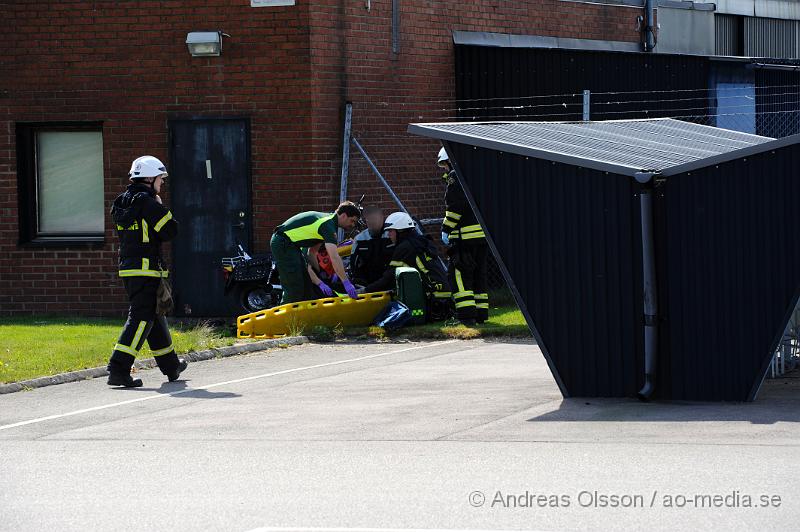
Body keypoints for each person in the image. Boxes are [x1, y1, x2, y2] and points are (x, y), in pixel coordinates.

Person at [106, 155, 187, 388]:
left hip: (129, 269)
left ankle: (171, 366)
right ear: (150, 178)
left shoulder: (121, 202)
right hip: (147, 270)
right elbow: (170, 231)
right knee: (140, 318)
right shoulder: (148, 203)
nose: (162, 183)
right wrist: (160, 206)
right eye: (161, 179)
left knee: (153, 315)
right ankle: (118, 369)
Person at [271, 202, 361, 304]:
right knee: (295, 285)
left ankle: (304, 315)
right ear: (344, 215)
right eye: (352, 221)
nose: (353, 225)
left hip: (290, 245)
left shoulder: (329, 222)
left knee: (307, 285)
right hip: (283, 242)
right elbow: (334, 257)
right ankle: (287, 316)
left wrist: (320, 274)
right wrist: (346, 282)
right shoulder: (328, 225)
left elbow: (312, 252)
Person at [438, 147, 489, 325]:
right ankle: (481, 314)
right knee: (478, 276)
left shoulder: (455, 176)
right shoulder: (477, 174)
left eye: (444, 165)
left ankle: (466, 317)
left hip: (464, 238)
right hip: (481, 237)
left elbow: (455, 206)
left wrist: (446, 228)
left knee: (459, 275)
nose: (444, 171)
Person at [362, 212, 451, 312]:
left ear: (400, 231)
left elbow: (388, 278)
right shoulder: (421, 242)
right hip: (444, 295)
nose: (389, 235)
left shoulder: (405, 248)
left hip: (432, 300)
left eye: (391, 231)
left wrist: (365, 290)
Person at [350, 206, 394, 286]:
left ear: (382, 219)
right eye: (370, 220)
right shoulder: (359, 239)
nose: (373, 222)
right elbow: (354, 265)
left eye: (375, 219)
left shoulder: (391, 235)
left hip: (390, 280)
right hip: (367, 283)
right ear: (366, 221)